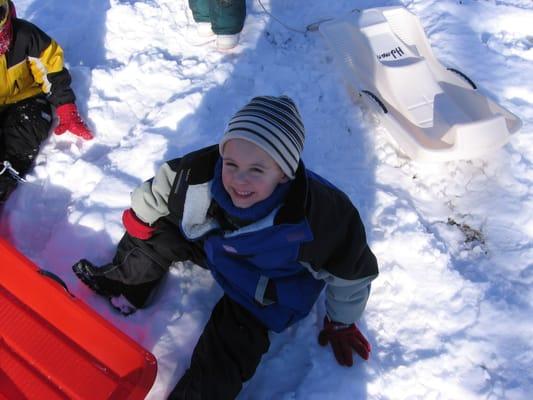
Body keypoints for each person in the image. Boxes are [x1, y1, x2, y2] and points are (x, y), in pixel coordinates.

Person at [72, 95, 379, 399]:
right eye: (231, 163)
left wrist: (342, 321)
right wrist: (141, 216)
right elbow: (164, 186)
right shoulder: (204, 172)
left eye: (257, 170)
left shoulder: (317, 218)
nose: (238, 179)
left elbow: (351, 270)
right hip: (218, 247)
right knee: (160, 229)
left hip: (263, 288)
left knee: (226, 355)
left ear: (284, 173)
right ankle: (124, 284)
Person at [0, 0, 92, 204]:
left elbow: (52, 69)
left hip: (25, 98)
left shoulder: (25, 36)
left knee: (29, 125)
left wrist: (65, 105)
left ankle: (8, 175)